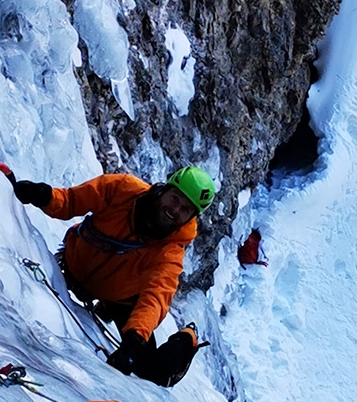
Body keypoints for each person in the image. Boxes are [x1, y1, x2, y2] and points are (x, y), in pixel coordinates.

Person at [13, 166, 216, 387]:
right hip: (71, 266)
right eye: (175, 199)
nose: (175, 210)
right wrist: (42, 195)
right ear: (164, 190)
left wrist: (133, 342)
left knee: (156, 373)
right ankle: (104, 307)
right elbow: (71, 200)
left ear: (190, 218)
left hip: (120, 298)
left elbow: (156, 298)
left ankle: (187, 339)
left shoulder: (170, 252)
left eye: (185, 209)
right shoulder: (123, 189)